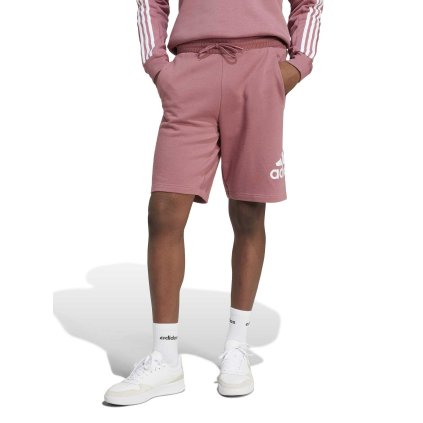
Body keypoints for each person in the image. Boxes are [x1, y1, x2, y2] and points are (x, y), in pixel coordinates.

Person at [104, 0, 323, 405]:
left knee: (248, 209)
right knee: (164, 210)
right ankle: (165, 357)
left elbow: (309, 3)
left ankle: (237, 347)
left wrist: (298, 64)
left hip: (260, 67)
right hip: (191, 69)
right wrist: (157, 65)